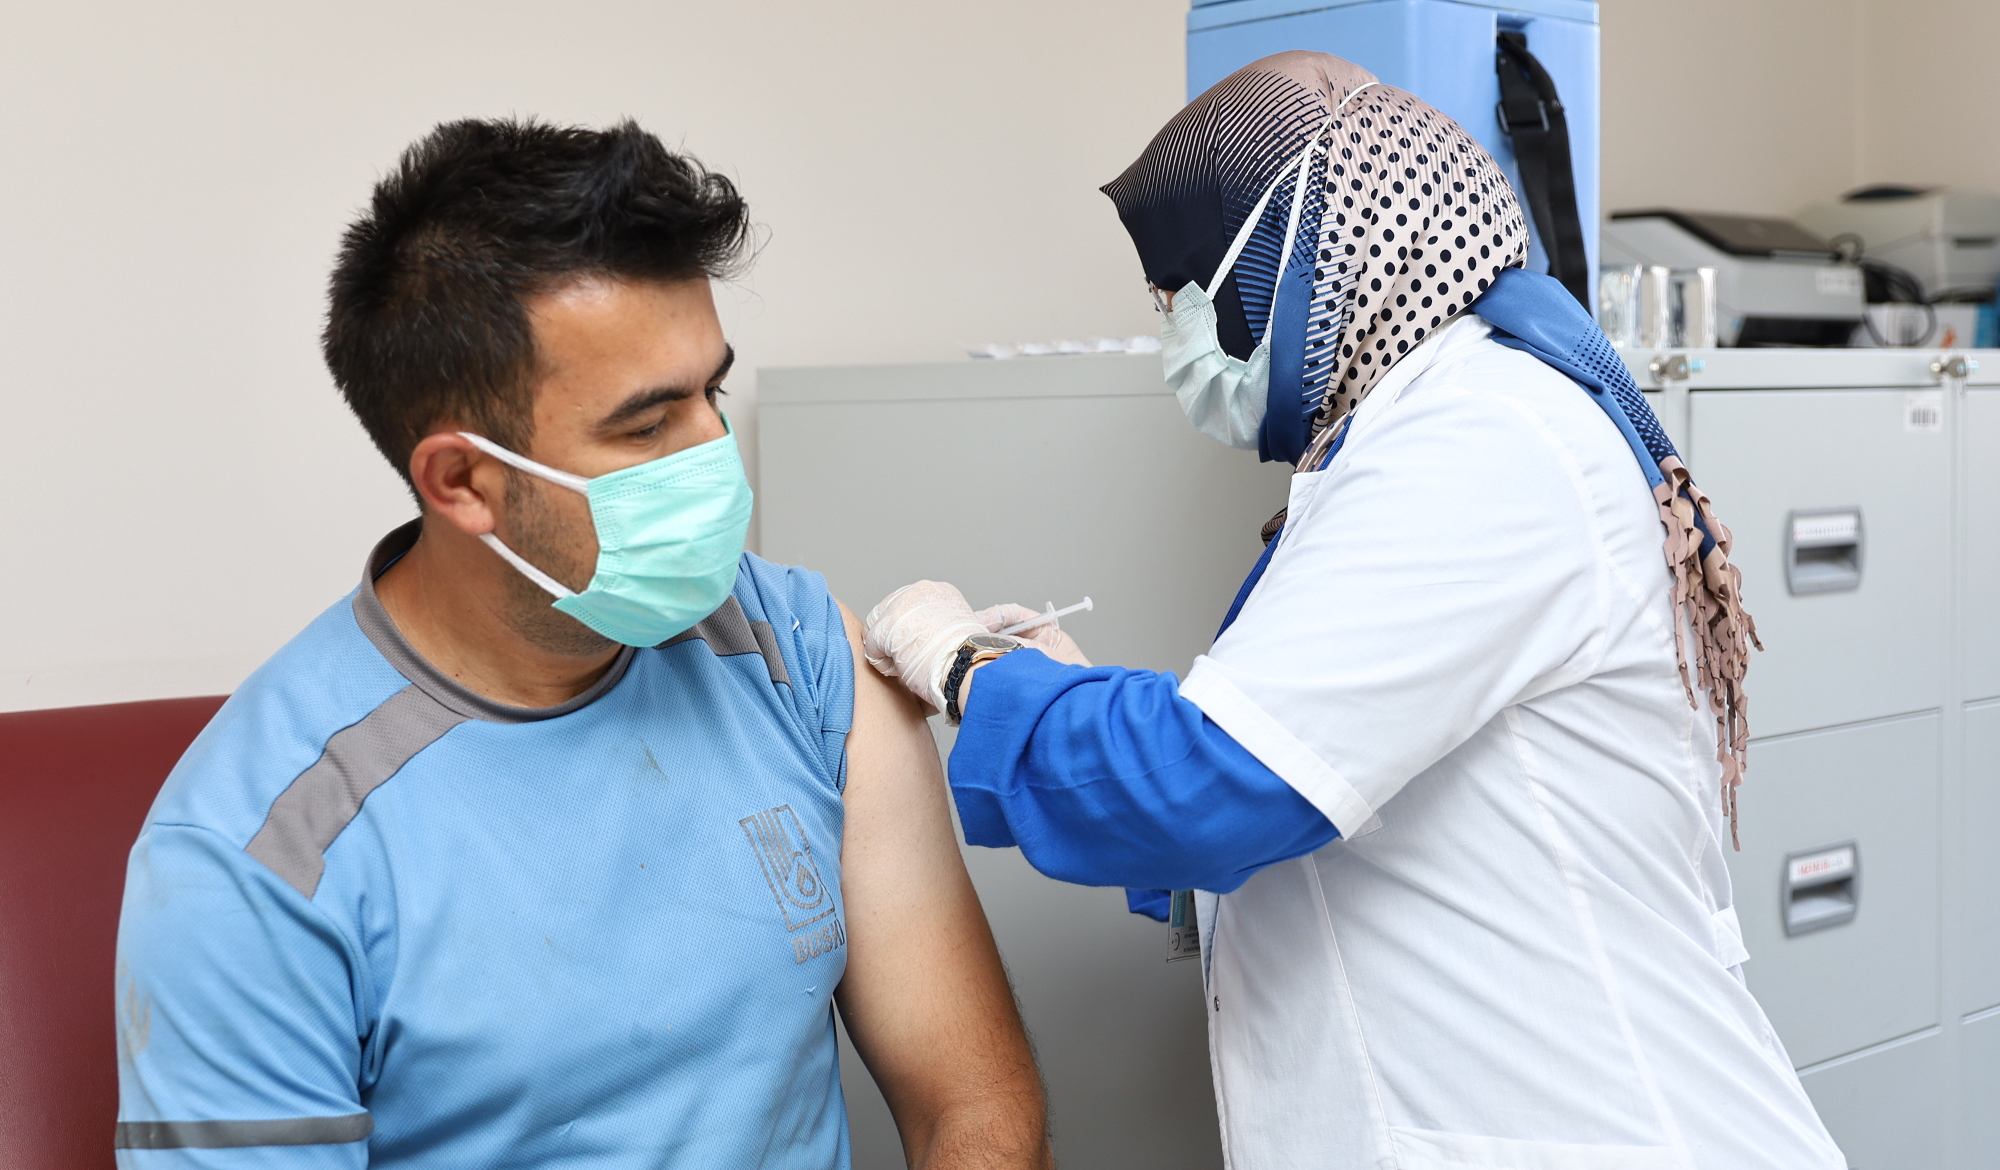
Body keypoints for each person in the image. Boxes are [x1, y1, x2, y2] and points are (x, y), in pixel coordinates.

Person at [862, 52, 1845, 1170]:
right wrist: (1083, 707)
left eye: (1181, 292)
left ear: (1287, 257)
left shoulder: (1480, 443)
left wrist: (972, 670)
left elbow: (1217, 785)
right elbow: (1318, 785)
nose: (1173, 330)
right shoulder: (1420, 437)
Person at [114, 119, 1049, 1170]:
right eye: (647, 428)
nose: (715, 453)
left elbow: (971, 1102)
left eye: (711, 391)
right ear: (462, 482)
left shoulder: (791, 649)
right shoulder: (259, 862)